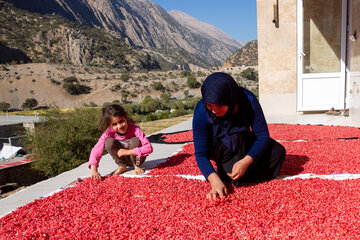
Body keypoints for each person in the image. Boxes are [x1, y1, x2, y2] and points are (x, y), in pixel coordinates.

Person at [193, 72, 286, 199]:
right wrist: (214, 181)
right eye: (210, 106)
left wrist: (246, 161)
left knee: (277, 153)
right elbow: (201, 154)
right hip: (219, 146)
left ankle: (235, 171)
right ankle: (228, 171)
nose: (214, 110)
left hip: (244, 139)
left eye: (219, 105)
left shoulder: (248, 100)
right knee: (234, 166)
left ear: (230, 98)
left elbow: (262, 135)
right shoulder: (201, 111)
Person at [88, 104, 153, 180]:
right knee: (109, 142)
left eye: (121, 121)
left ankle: (137, 166)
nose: (119, 126)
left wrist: (127, 152)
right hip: (123, 158)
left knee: (135, 140)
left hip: (138, 159)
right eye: (114, 124)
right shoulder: (109, 132)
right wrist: (94, 170)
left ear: (125, 117)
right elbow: (96, 149)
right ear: (110, 125)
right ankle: (122, 166)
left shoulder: (135, 129)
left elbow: (149, 148)